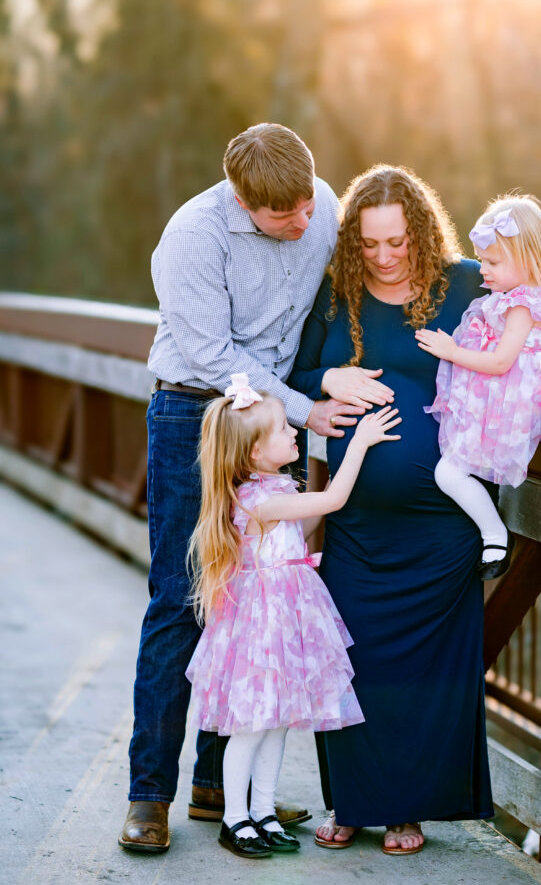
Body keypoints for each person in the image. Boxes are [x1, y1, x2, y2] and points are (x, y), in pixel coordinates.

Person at [119, 124, 364, 853]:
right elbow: (212, 353)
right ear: (239, 197)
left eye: (304, 204)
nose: (301, 221)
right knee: (184, 598)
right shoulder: (193, 237)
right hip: (196, 413)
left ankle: (218, 790)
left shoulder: (317, 202)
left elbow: (339, 299)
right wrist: (302, 407)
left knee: (254, 603)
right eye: (280, 213)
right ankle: (149, 794)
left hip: (270, 420)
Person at [288, 164, 495, 856]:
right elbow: (293, 377)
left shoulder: (464, 285)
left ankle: (404, 810)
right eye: (369, 243)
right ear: (352, 242)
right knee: (347, 661)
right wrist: (328, 377)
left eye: (397, 242)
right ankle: (350, 801)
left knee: (422, 676)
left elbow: (536, 322)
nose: (382, 256)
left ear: (421, 233)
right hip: (356, 524)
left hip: (442, 529)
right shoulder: (335, 296)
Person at [185, 374, 401, 858]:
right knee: (252, 726)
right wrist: (360, 443)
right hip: (263, 626)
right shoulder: (259, 500)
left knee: (278, 721)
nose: (295, 434)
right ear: (254, 454)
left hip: (286, 620)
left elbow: (303, 526)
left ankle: (262, 809)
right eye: (284, 429)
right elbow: (332, 502)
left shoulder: (273, 488)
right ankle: (234, 817)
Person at [416, 194, 541, 580]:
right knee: (452, 472)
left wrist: (452, 350)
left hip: (512, 394)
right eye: (483, 259)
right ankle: (492, 531)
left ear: (526, 261)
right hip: (496, 393)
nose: (483, 270)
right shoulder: (507, 297)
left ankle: (494, 533)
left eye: (493, 262)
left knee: (449, 473)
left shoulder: (522, 305)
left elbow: (500, 362)